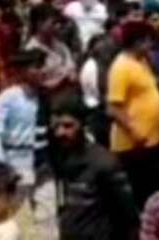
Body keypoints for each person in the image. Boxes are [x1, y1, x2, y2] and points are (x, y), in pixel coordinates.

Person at [50, 92, 139, 240]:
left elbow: (128, 217)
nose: (60, 132)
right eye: (56, 126)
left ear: (82, 125)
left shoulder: (104, 163)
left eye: (68, 126)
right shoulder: (61, 158)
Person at [0, 49, 53, 236]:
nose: (42, 71)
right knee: (5, 213)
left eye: (42, 66)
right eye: (36, 67)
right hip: (16, 162)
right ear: (22, 71)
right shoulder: (9, 98)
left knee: (48, 215)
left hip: (42, 163)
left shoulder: (46, 96)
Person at [107, 20, 159, 209]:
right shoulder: (121, 67)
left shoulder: (141, 61)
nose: (151, 45)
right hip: (134, 144)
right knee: (140, 194)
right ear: (138, 42)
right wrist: (135, 133)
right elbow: (114, 108)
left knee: (154, 190)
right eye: (148, 41)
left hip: (152, 140)